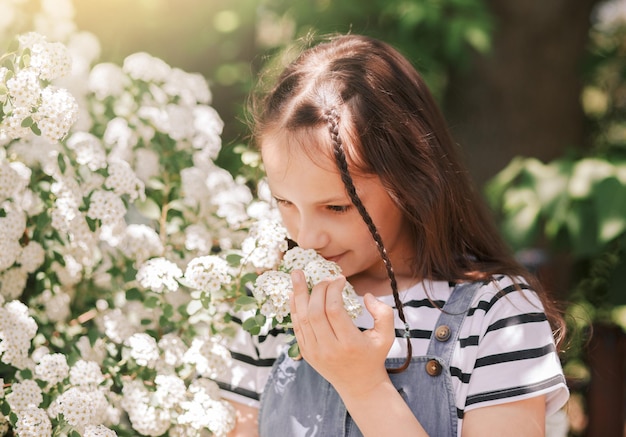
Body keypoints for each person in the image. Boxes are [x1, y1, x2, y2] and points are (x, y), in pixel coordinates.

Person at [220, 33, 569, 436]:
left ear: (410, 181)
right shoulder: (267, 311)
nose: (308, 236)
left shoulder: (497, 314)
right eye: (285, 203)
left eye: (336, 207)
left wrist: (364, 386)